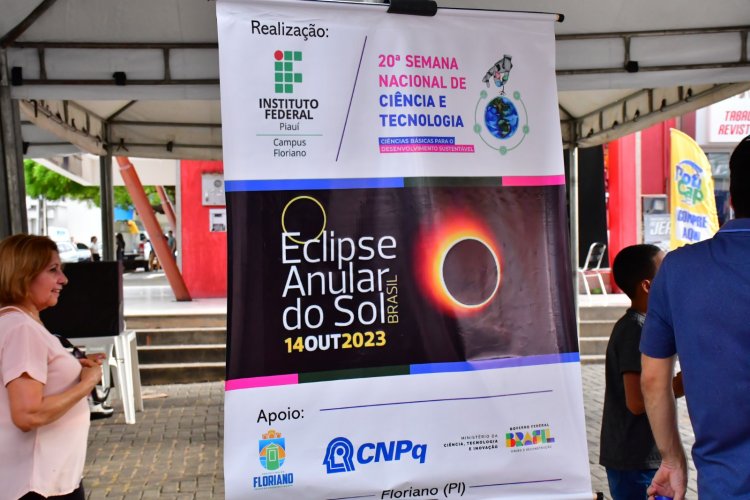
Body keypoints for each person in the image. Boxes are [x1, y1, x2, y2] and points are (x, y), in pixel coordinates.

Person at [641, 134, 750, 499]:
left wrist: (672, 460)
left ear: (732, 199)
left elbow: (654, 381)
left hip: (725, 486)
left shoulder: (679, 270)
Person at [0, 234, 103, 499]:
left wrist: (71, 369)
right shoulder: (22, 329)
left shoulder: (19, 324)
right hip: (37, 485)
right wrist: (87, 383)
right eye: (52, 270)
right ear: (23, 275)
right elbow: (28, 414)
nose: (63, 279)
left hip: (45, 480)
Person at [599, 244, 683, 499]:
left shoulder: (642, 326)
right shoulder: (635, 329)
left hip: (639, 460)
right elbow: (636, 401)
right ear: (647, 286)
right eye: (665, 273)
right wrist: (684, 383)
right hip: (636, 462)